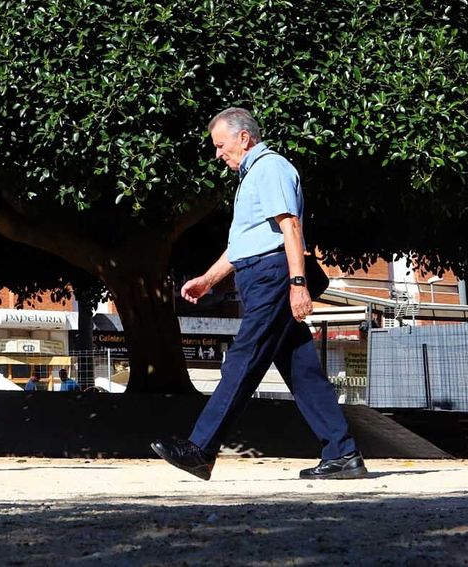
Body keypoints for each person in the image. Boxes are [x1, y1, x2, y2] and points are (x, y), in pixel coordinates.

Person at [152, 108, 366, 481]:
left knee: (242, 358)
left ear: (244, 138)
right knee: (302, 370)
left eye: (221, 145)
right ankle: (343, 453)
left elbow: (291, 226)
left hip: (272, 277)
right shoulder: (253, 176)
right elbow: (245, 243)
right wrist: (208, 279)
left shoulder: (270, 168)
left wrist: (298, 285)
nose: (218, 154)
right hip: (258, 276)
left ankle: (201, 449)